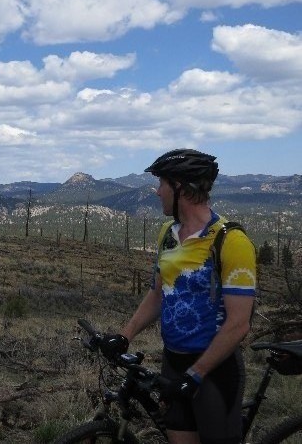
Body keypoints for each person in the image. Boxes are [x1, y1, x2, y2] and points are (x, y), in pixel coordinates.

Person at [100, 148, 256, 444]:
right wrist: (125, 335)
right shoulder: (167, 235)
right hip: (174, 364)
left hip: (214, 371)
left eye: (162, 184)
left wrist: (196, 373)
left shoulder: (231, 241)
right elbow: (158, 295)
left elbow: (239, 324)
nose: (158, 192)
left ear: (181, 188)